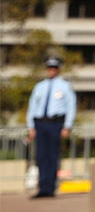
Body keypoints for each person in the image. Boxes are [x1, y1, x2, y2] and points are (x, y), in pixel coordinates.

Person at [27, 55, 76, 199]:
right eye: (49, 68)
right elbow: (32, 106)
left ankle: (50, 187)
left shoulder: (65, 86)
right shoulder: (39, 86)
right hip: (40, 122)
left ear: (58, 69)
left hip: (56, 123)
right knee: (41, 155)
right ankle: (42, 187)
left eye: (54, 68)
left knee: (52, 155)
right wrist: (31, 126)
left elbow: (71, 107)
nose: (51, 71)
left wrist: (67, 126)